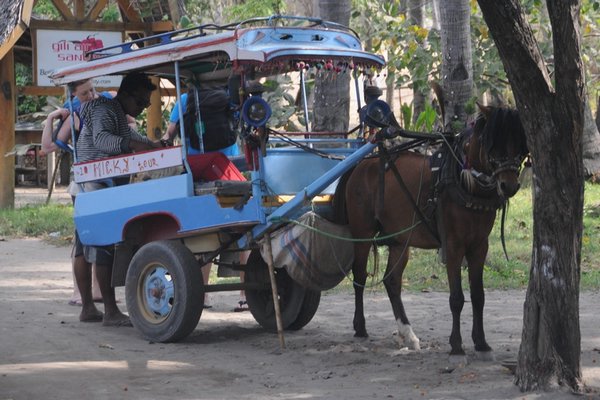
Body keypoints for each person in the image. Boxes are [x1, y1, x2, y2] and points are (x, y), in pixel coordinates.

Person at [75, 72, 162, 326]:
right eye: (141, 102)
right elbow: (103, 141)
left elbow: (132, 138)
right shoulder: (105, 109)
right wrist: (135, 146)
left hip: (91, 180)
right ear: (126, 94)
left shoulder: (114, 110)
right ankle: (110, 311)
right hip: (95, 180)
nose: (143, 108)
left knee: (83, 245)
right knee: (103, 244)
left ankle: (89, 308)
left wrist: (154, 145)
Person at [162, 86, 249, 311]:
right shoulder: (228, 97)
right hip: (231, 168)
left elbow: (169, 135)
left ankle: (202, 295)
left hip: (199, 170)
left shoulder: (183, 99)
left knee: (204, 233)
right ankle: (246, 294)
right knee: (245, 232)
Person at [41, 79, 109, 309]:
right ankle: (79, 292)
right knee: (83, 238)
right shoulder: (73, 112)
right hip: (82, 181)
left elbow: (129, 124)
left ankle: (98, 290)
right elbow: (49, 146)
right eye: (84, 93)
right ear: (73, 95)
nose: (90, 95)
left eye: (92, 90)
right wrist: (52, 118)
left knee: (102, 238)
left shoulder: (104, 103)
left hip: (105, 178)